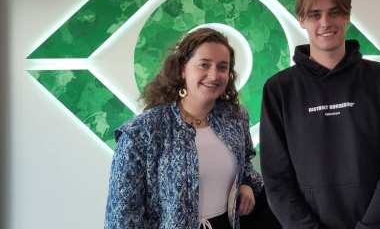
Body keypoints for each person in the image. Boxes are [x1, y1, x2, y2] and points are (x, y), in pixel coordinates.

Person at [260, 0, 380, 229]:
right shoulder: (279, 89)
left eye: (334, 13)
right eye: (315, 14)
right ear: (301, 20)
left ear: (347, 17)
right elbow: (276, 178)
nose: (325, 23)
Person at [105, 28, 278, 229]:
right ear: (182, 69)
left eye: (222, 67)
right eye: (204, 65)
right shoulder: (142, 132)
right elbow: (122, 216)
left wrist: (246, 183)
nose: (214, 75)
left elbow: (245, 160)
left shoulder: (235, 117)